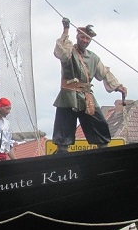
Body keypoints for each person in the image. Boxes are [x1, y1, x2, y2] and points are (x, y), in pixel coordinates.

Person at [52, 18, 127, 153]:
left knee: (99, 125)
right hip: (68, 96)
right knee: (64, 129)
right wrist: (66, 30)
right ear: (77, 37)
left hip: (86, 97)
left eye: (88, 38)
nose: (85, 40)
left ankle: (103, 153)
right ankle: (62, 155)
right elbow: (61, 53)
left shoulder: (93, 57)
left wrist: (117, 86)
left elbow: (104, 73)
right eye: (82, 37)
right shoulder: (69, 51)